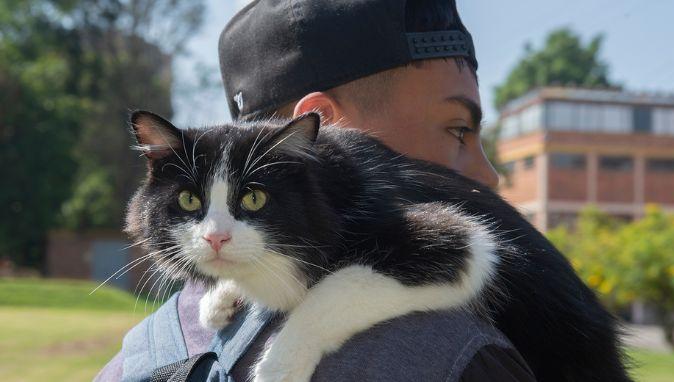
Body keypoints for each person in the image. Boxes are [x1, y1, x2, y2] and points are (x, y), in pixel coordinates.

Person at [96, 0, 535, 380]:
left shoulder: (133, 359)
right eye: (458, 130)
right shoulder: (452, 353)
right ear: (329, 128)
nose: (490, 176)